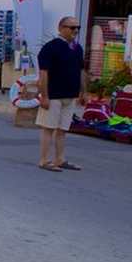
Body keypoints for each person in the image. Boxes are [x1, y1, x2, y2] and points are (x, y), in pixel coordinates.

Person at [36, 16, 88, 172]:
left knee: (63, 129)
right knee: (48, 128)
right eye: (72, 28)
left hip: (70, 94)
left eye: (77, 27)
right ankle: (44, 160)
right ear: (61, 28)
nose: (75, 31)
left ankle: (60, 158)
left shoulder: (77, 48)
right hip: (54, 94)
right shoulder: (51, 48)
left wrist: (83, 92)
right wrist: (44, 96)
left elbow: (81, 71)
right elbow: (43, 73)